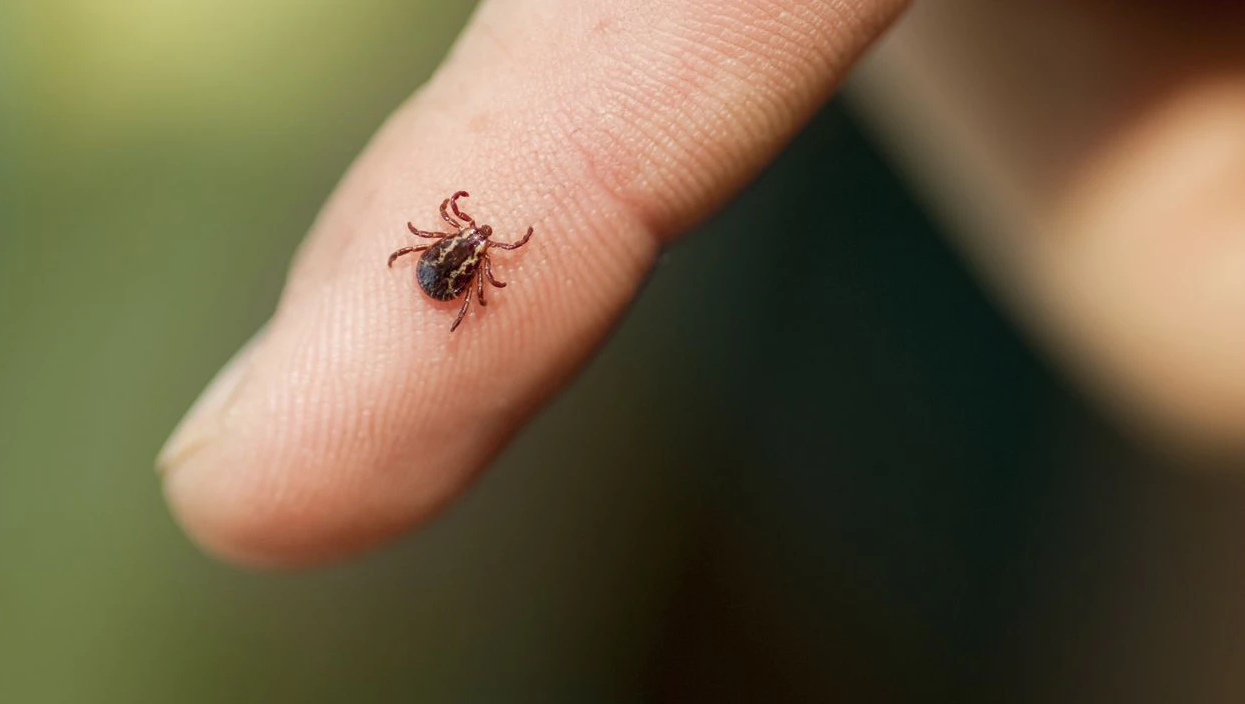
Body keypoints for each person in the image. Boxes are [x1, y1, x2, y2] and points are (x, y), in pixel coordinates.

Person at [157, 0, 1245, 566]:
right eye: (463, 248)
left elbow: (441, 257)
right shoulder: (476, 258)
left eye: (462, 246)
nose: (465, 248)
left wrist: (444, 270)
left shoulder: (462, 256)